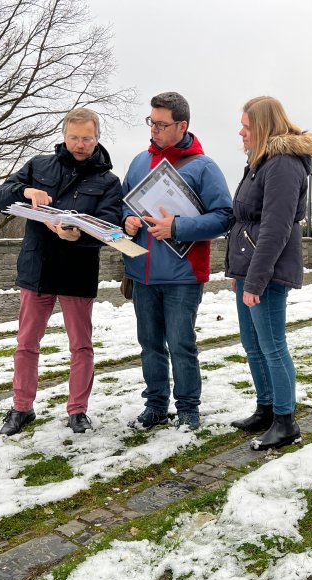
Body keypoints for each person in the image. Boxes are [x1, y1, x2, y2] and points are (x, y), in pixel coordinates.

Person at [0, 107, 122, 436]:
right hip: (38, 267)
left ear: (97, 138)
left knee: (81, 346)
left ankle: (78, 411)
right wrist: (25, 191)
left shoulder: (108, 181)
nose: (80, 144)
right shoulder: (38, 165)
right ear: (64, 136)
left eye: (87, 138)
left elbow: (110, 227)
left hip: (78, 269)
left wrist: (76, 236)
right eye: (74, 137)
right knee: (26, 343)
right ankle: (21, 408)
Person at [122, 92, 232, 431]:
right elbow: (124, 204)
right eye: (151, 122)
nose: (153, 129)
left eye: (161, 124)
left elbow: (224, 216)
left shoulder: (204, 167)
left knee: (181, 345)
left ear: (182, 125)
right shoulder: (140, 161)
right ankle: (155, 406)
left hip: (183, 276)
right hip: (142, 271)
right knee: (150, 345)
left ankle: (188, 409)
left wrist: (178, 226)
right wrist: (127, 220)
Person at [226, 96, 312, 450]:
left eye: (247, 127)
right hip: (249, 270)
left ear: (262, 127)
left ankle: (285, 421)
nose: (241, 132)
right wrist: (240, 272)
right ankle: (265, 409)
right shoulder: (258, 163)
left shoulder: (282, 165)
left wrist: (256, 280)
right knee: (253, 345)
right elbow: (244, 219)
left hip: (267, 272)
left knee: (272, 346)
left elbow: (275, 229)